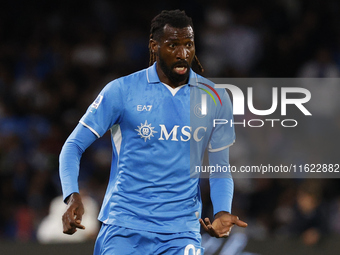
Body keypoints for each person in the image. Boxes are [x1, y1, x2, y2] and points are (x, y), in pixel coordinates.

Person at [59, 9, 247, 255]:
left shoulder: (215, 97)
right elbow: (73, 146)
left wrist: (222, 210)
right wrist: (72, 195)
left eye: (188, 45)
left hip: (181, 232)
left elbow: (220, 166)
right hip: (124, 228)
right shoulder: (122, 90)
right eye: (173, 46)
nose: (183, 54)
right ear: (154, 46)